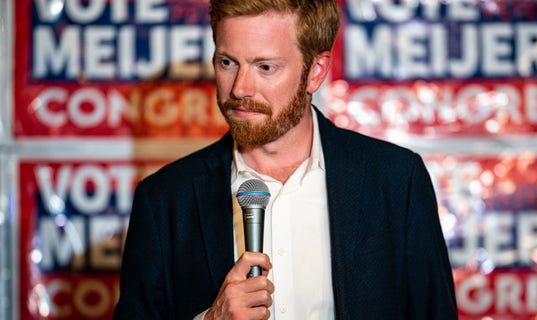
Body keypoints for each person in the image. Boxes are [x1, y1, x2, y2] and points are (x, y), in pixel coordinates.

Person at [114, 0, 458, 319]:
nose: (239, 89)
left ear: (316, 71)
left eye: (265, 67)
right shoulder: (164, 199)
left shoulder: (396, 181)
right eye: (227, 62)